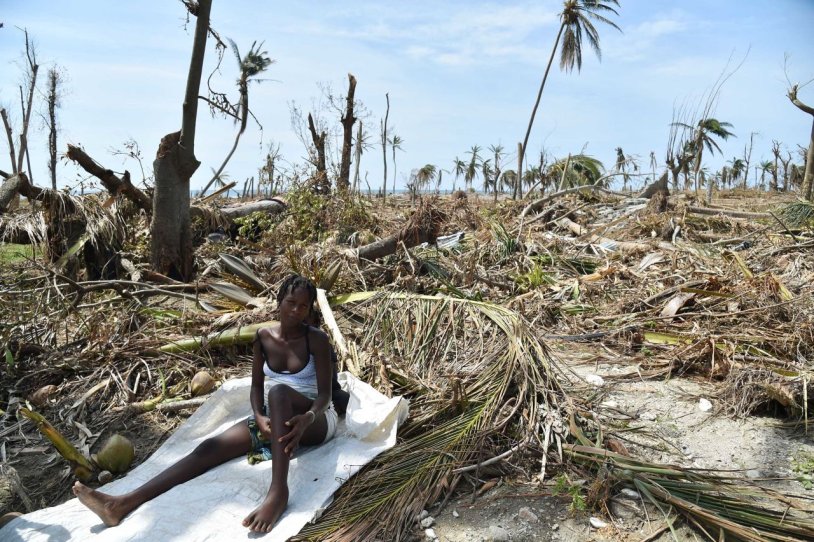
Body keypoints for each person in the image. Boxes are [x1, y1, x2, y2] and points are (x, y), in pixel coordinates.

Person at [72, 275, 338, 533]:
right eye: (291, 302)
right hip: (276, 416)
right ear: (279, 301)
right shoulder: (263, 338)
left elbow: (325, 395)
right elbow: (256, 387)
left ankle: (278, 492)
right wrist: (258, 416)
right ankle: (119, 504)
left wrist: (309, 418)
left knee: (278, 392)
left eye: (304, 306)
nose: (296, 310)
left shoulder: (315, 339)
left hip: (315, 419)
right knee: (210, 448)